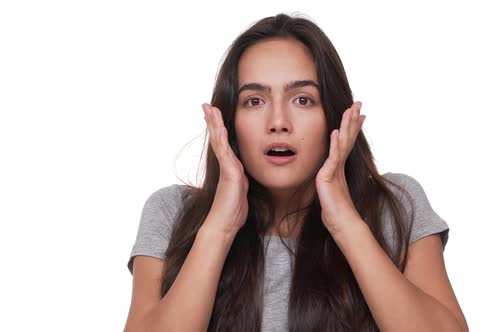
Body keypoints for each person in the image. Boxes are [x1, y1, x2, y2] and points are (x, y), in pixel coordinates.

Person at [123, 13, 468, 332]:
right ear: (228, 122)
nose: (278, 123)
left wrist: (346, 222)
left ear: (335, 116)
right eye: (254, 101)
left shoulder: (394, 205)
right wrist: (220, 226)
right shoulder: (172, 212)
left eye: (302, 100)